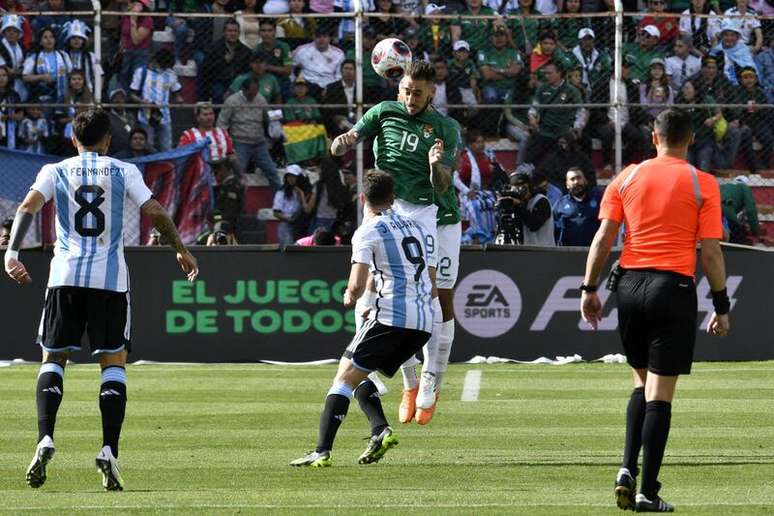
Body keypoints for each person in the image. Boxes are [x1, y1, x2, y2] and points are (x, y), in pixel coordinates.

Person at [3, 108, 198, 492]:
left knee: (53, 358)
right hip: (110, 282)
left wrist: (12, 254)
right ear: (109, 140)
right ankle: (109, 449)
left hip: (65, 277)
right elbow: (155, 210)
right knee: (113, 363)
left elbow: (27, 208)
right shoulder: (124, 171)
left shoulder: (54, 170)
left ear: (73, 140)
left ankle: (45, 437)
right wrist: (180, 248)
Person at [580, 108, 730, 512]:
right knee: (660, 395)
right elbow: (711, 253)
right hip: (673, 287)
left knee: (639, 384)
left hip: (628, 285)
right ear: (692, 139)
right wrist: (721, 303)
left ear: (653, 136)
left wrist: (589, 289)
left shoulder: (626, 176)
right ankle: (648, 491)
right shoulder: (703, 183)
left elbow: (603, 238)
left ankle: (625, 468)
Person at [330, 60, 459, 425]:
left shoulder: (445, 128)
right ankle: (404, 377)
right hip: (386, 207)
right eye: (405, 90)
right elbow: (353, 136)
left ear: (432, 91)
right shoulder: (385, 111)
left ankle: (431, 378)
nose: (410, 98)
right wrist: (343, 141)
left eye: (417, 93)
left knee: (430, 293)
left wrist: (435, 165)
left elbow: (444, 185)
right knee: (372, 289)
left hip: (426, 212)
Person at [289, 169, 433, 468]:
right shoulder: (417, 227)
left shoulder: (368, 230)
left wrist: (351, 296)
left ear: (363, 197)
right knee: (354, 370)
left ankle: (321, 451)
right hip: (423, 322)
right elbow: (430, 277)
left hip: (392, 317)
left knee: (342, 379)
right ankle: (380, 430)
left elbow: (356, 284)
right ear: (393, 197)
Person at [217, 77, 281, 191]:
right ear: (243, 89)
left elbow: (268, 116)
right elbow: (222, 123)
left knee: (272, 172)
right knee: (238, 174)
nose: (253, 97)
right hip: (240, 143)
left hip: (259, 143)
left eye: (255, 93)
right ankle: (234, 201)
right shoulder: (232, 101)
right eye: (250, 94)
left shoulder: (260, 99)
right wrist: (226, 144)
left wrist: (275, 119)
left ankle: (281, 199)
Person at [129, 48, 183, 152]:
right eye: (162, 66)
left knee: (166, 147)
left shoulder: (170, 74)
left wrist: (179, 100)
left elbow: (177, 93)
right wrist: (143, 102)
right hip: (146, 117)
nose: (164, 68)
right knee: (148, 147)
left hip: (165, 116)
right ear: (155, 61)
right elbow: (132, 94)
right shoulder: (141, 72)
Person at [201, 19, 253, 104]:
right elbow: (207, 69)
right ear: (224, 32)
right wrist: (224, 61)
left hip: (238, 83)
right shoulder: (213, 48)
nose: (232, 34)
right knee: (218, 93)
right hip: (218, 82)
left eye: (235, 31)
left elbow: (247, 71)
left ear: (239, 33)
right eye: (229, 31)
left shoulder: (246, 51)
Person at [178, 102, 239, 171]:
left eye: (211, 114)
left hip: (222, 169)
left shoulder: (222, 132)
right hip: (200, 170)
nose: (209, 117)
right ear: (197, 117)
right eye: (205, 114)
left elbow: (230, 153)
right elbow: (182, 156)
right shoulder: (188, 135)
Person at [553, 167, 602, 246]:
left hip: (594, 252)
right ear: (567, 185)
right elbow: (554, 231)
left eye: (579, 178)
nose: (576, 182)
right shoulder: (560, 205)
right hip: (567, 254)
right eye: (572, 179)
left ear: (585, 181)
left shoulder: (599, 200)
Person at [720, 175, 761, 243]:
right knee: (737, 237)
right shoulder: (744, 187)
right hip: (726, 206)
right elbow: (751, 209)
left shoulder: (724, 185)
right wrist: (755, 231)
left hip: (713, 207)